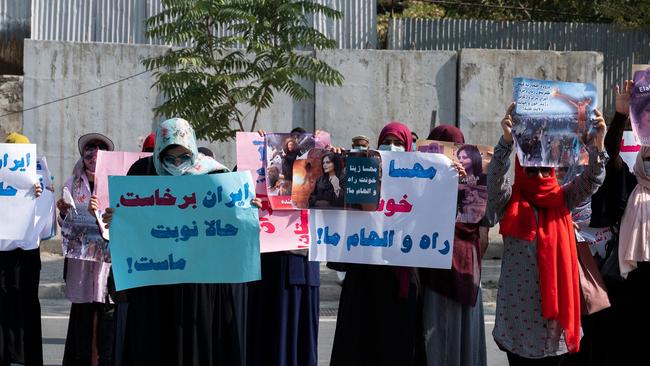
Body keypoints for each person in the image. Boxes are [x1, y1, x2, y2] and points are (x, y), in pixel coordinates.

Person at [100, 118, 259, 365]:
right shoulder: (142, 173)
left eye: (183, 156)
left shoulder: (215, 174)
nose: (176, 164)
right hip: (154, 285)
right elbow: (130, 221)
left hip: (200, 283)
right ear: (159, 152)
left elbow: (231, 220)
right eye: (168, 157)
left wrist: (247, 210)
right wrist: (116, 219)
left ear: (193, 150)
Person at [489, 102, 606, 365]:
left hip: (554, 334)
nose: (540, 175)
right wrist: (506, 142)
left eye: (546, 169)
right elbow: (494, 179)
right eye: (531, 169)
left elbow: (593, 178)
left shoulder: (563, 199)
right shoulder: (509, 201)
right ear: (521, 169)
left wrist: (598, 143)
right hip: (517, 329)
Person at [245, 127, 322, 366]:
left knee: (300, 337)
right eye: (291, 143)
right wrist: (252, 153)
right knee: (269, 332)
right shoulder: (273, 166)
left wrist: (335, 154)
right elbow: (244, 186)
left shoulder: (319, 175)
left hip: (303, 266)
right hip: (272, 265)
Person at [420, 125, 491, 366]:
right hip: (448, 271)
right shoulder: (422, 180)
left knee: (445, 337)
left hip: (461, 270)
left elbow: (483, 231)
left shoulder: (476, 183)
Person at [58, 132, 116, 366]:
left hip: (106, 265)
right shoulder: (72, 183)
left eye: (100, 148)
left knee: (106, 323)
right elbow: (65, 225)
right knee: (82, 322)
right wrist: (63, 212)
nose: (93, 152)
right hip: (80, 265)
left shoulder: (115, 183)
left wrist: (100, 214)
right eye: (89, 148)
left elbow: (121, 221)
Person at [0, 133, 45, 366]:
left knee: (27, 304)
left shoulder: (39, 177)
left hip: (27, 252)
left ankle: (28, 357)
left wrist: (40, 193)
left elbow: (46, 221)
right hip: (3, 251)